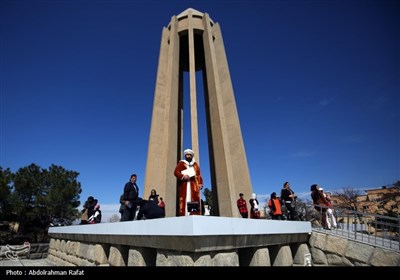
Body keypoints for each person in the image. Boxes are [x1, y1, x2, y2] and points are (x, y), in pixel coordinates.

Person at [174, 148, 203, 216]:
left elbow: (198, 175)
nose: (189, 156)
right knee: (185, 199)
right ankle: (184, 214)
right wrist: (183, 176)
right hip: (184, 185)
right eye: (187, 155)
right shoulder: (181, 163)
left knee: (193, 199)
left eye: (190, 155)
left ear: (192, 156)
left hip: (193, 185)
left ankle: (193, 215)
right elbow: (176, 172)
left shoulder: (195, 165)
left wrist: (200, 183)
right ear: (185, 156)